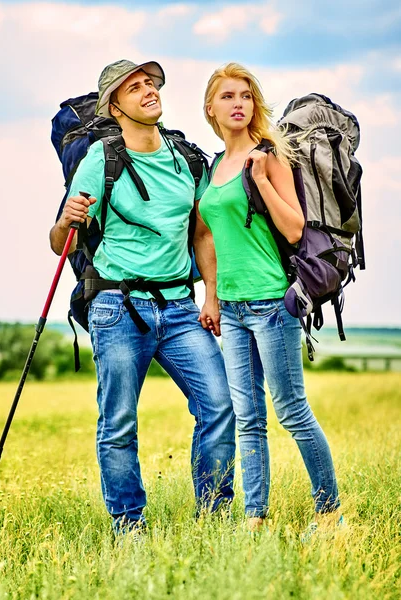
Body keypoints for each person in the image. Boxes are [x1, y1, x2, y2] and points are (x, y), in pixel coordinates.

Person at [49, 59, 235, 533]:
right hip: (117, 306)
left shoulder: (185, 159)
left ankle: (214, 518)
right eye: (135, 87)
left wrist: (210, 295)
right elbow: (60, 243)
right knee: (119, 424)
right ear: (115, 107)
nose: (149, 90)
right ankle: (128, 528)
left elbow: (202, 233)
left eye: (150, 83)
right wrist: (67, 220)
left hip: (178, 308)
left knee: (219, 406)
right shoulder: (101, 160)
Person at [198, 62, 342, 536]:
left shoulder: (269, 156)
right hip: (234, 310)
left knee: (292, 411)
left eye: (245, 95)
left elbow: (295, 227)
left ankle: (330, 514)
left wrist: (260, 179)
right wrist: (212, 297)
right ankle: (255, 518)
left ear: (254, 104)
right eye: (227, 97)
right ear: (211, 108)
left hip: (270, 303)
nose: (238, 103)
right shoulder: (214, 168)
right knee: (248, 418)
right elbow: (211, 237)